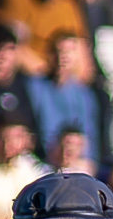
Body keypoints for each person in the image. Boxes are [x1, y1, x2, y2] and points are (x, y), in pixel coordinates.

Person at [28, 29, 104, 166]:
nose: (62, 57)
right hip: (41, 161)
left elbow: (89, 136)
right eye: (58, 51)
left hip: (75, 162)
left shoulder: (85, 95)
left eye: (68, 52)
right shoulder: (34, 87)